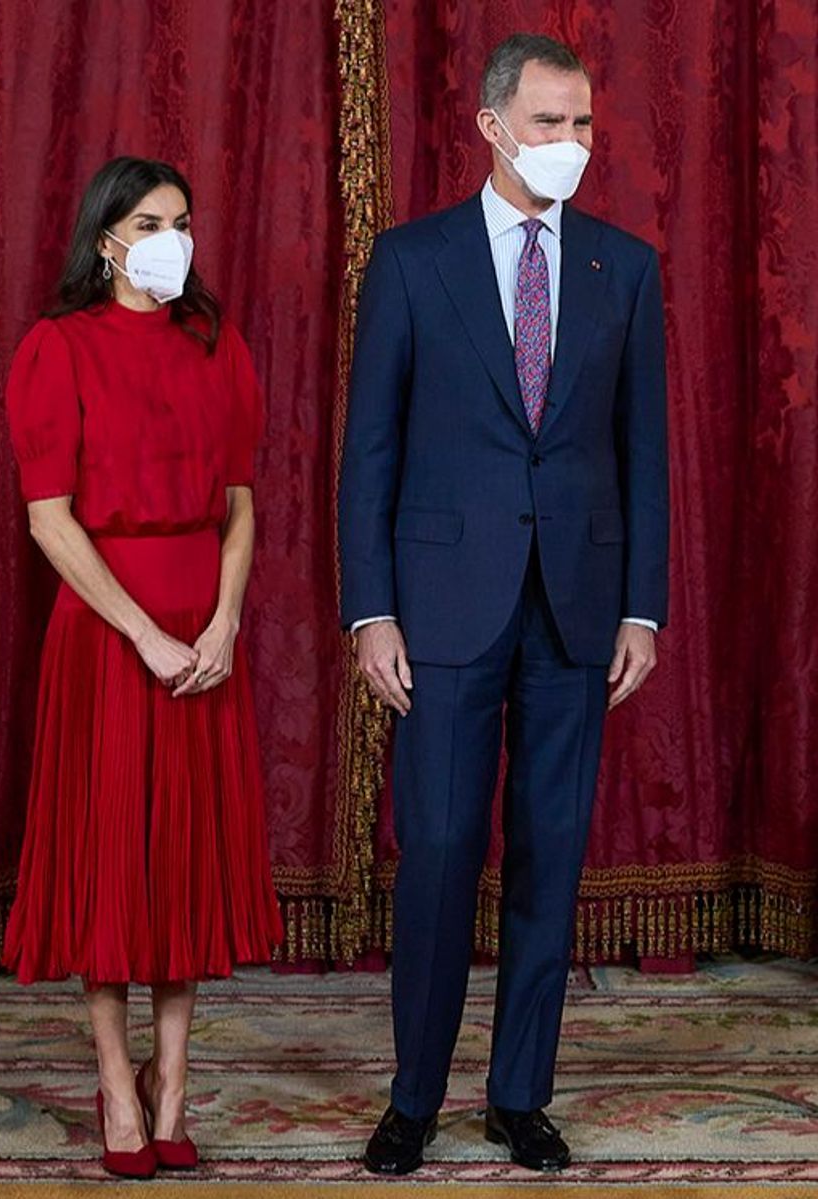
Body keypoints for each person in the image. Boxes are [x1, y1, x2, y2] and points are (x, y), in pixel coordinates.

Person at [339, 33, 668, 1175]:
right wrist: (368, 609)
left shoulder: (623, 268)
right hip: (438, 607)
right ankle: (414, 1094)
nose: (570, 144)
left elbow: (644, 454)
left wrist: (643, 609)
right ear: (489, 125)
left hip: (577, 611)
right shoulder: (412, 261)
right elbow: (367, 449)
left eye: (582, 124)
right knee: (433, 847)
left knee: (550, 852)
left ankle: (520, 1091)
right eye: (547, 123)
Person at [0, 156, 283, 1179]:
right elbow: (49, 519)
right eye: (154, 220)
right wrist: (145, 634)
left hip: (201, 630)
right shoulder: (57, 347)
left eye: (186, 220)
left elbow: (242, 504)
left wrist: (224, 621)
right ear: (108, 237)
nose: (176, 237)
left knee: (182, 863)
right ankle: (116, 1081)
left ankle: (173, 1079)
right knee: (114, 855)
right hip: (109, 630)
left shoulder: (215, 342)